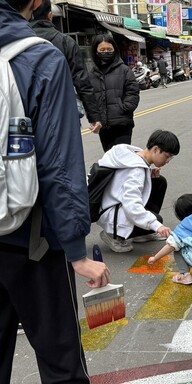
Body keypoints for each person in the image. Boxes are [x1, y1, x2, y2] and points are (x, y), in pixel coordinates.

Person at [0, 0, 110, 382]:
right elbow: (59, 164)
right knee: (61, 360)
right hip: (33, 239)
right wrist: (77, 250)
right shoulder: (40, 58)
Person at [96, 130, 179, 253]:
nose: (167, 161)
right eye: (167, 156)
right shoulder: (136, 171)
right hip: (112, 214)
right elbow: (132, 206)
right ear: (155, 149)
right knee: (157, 220)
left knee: (159, 182)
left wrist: (148, 175)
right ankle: (113, 236)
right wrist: (156, 225)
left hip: (109, 205)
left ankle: (140, 234)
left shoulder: (133, 154)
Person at [30, 0, 103, 133]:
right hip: (63, 113)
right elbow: (82, 81)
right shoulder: (66, 42)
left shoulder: (16, 40)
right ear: (50, 16)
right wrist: (94, 116)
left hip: (26, 113)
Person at [89, 34, 140, 152]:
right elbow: (89, 98)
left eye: (109, 49)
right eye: (102, 50)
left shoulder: (125, 70)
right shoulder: (92, 74)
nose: (106, 52)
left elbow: (133, 93)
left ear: (114, 50)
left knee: (122, 159)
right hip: (104, 126)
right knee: (110, 159)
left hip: (122, 124)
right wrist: (94, 117)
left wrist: (123, 108)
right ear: (96, 51)